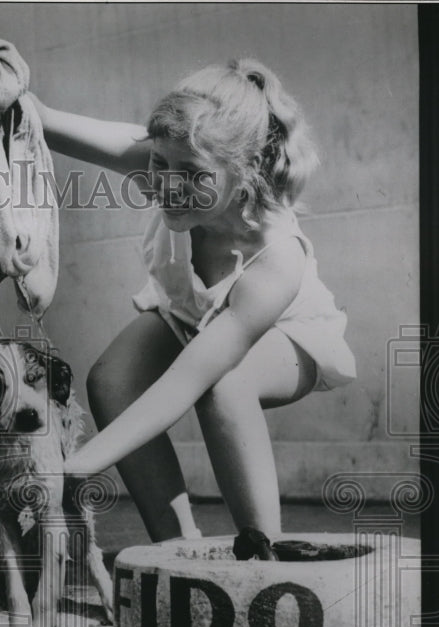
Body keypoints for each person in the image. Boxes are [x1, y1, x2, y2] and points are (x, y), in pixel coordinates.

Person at [25, 58, 356, 542]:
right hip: (193, 314)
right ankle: (177, 547)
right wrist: (5, 87)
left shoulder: (277, 258)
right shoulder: (168, 161)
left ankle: (262, 558)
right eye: (159, 163)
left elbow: (188, 380)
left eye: (194, 174)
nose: (168, 185)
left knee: (226, 385)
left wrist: (76, 466)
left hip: (288, 335)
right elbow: (45, 121)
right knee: (112, 380)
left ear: (244, 174)